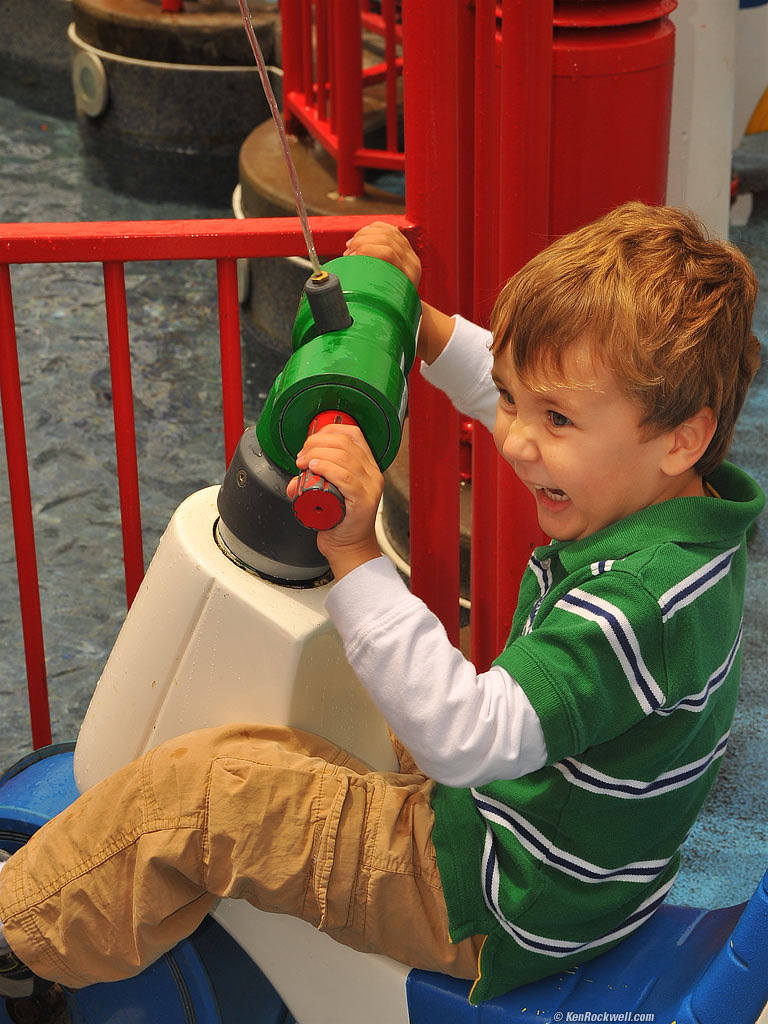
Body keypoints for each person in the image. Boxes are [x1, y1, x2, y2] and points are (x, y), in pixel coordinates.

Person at [0, 203, 763, 1021]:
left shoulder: (636, 603)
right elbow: (528, 390)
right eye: (511, 399)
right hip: (575, 860)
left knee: (206, 796)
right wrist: (423, 324)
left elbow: (465, 739)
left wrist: (357, 551)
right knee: (364, 686)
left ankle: (15, 941)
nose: (515, 442)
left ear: (681, 439)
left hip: (499, 894)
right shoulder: (683, 517)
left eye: (556, 421)